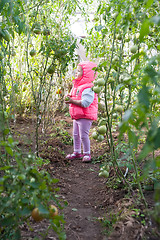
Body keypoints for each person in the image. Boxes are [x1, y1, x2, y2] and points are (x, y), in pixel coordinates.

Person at [64, 61, 98, 163]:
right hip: (77, 115)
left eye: (79, 71)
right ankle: (77, 152)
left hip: (85, 116)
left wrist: (72, 101)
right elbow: (74, 97)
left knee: (83, 135)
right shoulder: (76, 86)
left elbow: (85, 103)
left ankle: (87, 153)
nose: (76, 72)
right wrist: (69, 97)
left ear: (86, 74)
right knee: (75, 135)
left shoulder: (88, 88)